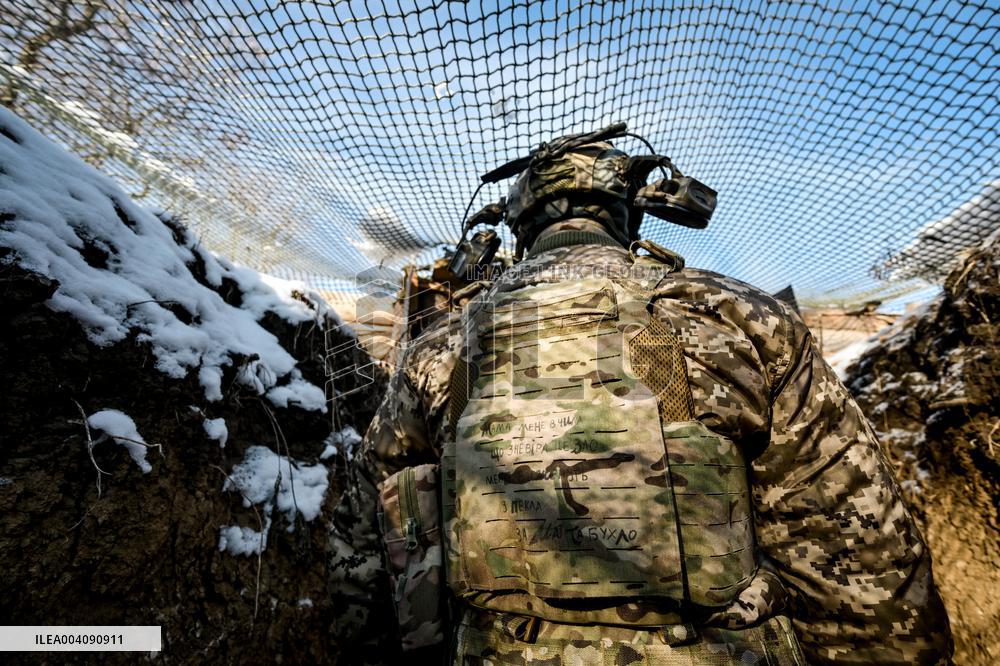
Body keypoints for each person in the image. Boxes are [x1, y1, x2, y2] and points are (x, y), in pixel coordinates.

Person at [328, 127, 953, 665]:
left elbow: (370, 535)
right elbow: (855, 539)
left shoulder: (437, 349)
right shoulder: (738, 318)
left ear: (521, 225)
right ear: (627, 214)